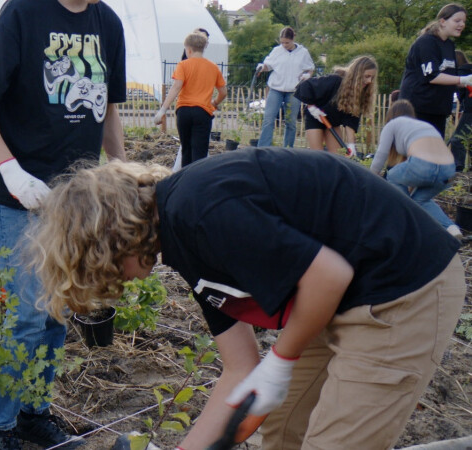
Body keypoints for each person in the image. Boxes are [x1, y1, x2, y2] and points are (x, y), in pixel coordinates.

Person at [33, 149, 464, 450]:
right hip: (339, 297)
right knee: (282, 432)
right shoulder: (179, 238)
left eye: (105, 271)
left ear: (111, 240)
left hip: (403, 288)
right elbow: (239, 368)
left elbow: (330, 274)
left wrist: (283, 357)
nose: (117, 284)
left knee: (334, 443)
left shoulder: (200, 212)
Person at [0, 0, 127, 447]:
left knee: (56, 311)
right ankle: (0, 428)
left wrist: (125, 172)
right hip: (21, 194)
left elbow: (108, 108)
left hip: (76, 197)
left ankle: (34, 413)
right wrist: (11, 170)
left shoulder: (106, 22)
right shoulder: (24, 13)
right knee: (26, 315)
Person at [370, 100, 461, 238]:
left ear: (391, 115)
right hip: (448, 170)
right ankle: (451, 228)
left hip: (423, 165)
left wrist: (370, 177)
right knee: (420, 201)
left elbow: (381, 155)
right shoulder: (424, 126)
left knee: (392, 175)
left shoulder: (393, 124)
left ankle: (404, 219)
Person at [153, 32, 226, 167]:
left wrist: (162, 110)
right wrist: (214, 103)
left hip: (184, 112)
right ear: (202, 48)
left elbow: (176, 87)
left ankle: (184, 182)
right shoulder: (213, 67)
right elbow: (223, 92)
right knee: (200, 153)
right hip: (203, 113)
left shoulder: (183, 65)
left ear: (189, 49)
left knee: (186, 150)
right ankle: (198, 183)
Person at [400, 3, 470, 137]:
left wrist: (467, 82)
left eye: (464, 21)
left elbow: (452, 78)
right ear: (442, 22)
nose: (462, 24)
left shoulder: (449, 45)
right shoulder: (426, 43)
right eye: (457, 21)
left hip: (439, 110)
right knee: (418, 152)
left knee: (435, 153)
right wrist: (463, 79)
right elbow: (432, 76)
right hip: (418, 108)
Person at [295, 55, 378, 155]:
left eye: (372, 78)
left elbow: (351, 120)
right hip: (316, 117)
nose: (369, 81)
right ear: (357, 74)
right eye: (367, 76)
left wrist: (351, 145)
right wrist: (311, 107)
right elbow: (305, 86)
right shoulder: (334, 81)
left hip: (333, 122)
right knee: (317, 156)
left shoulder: (360, 94)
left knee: (337, 156)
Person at [256, 27, 315, 148]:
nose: (284, 45)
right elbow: (268, 65)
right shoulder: (277, 51)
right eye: (282, 42)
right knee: (268, 118)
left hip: (293, 91)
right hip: (276, 89)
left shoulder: (303, 53)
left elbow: (310, 69)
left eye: (287, 42)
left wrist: (307, 75)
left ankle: (287, 148)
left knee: (291, 122)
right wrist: (262, 67)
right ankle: (263, 147)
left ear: (293, 39)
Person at [450, 49, 471, 171]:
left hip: (469, 108)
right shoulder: (469, 71)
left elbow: (461, 91)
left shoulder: (461, 73)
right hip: (469, 107)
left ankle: (458, 166)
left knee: (458, 138)